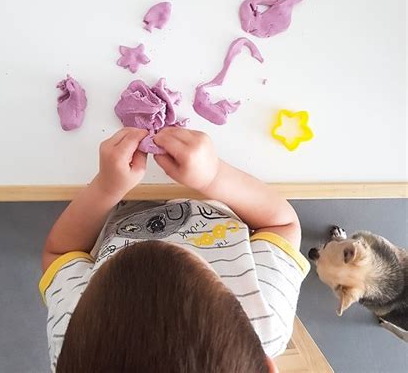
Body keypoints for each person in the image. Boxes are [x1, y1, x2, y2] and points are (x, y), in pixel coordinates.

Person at [39, 127, 310, 372]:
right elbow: (281, 224)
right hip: (221, 198)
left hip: (117, 205)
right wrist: (214, 175)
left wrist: (104, 188)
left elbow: (62, 252)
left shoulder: (72, 337)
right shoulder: (265, 320)